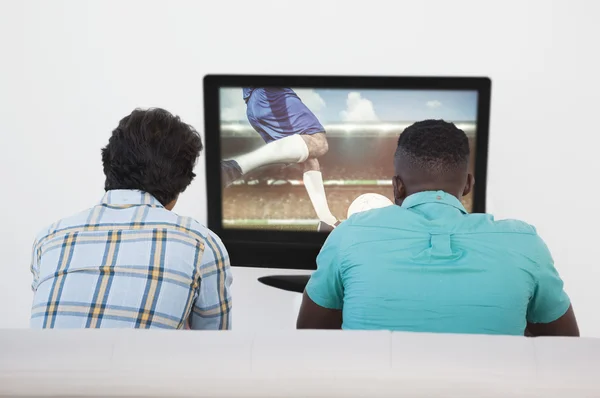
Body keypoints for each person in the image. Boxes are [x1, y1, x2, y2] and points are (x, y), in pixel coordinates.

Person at [297, 119, 579, 337]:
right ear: (468, 185)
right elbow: (564, 348)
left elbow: (311, 337)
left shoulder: (348, 235)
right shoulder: (525, 243)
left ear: (397, 187)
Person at [30, 108, 233, 330]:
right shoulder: (201, 244)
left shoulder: (49, 238)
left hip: (36, 366)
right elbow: (215, 348)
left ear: (108, 163)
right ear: (181, 184)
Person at [221, 87, 340, 231]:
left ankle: (327, 220)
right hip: (271, 94)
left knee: (309, 155)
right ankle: (233, 167)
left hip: (255, 104)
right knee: (318, 142)